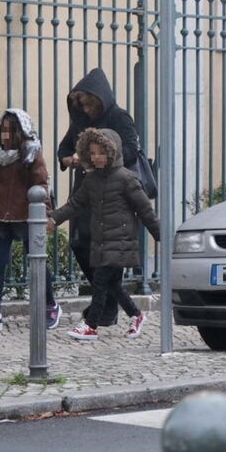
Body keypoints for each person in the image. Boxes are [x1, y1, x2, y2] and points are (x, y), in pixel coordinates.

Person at [47, 128, 159, 341]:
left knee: (99, 282)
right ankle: (137, 315)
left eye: (101, 152)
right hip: (101, 240)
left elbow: (146, 210)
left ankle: (91, 325)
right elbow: (75, 204)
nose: (96, 157)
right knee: (112, 285)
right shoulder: (91, 180)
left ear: (112, 153)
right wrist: (54, 219)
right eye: (92, 152)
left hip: (120, 241)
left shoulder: (127, 179)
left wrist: (160, 235)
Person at [57, 68, 140, 326]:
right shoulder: (80, 120)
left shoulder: (119, 117)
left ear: (99, 99)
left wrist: (101, 157)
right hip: (85, 191)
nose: (85, 109)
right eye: (81, 104)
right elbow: (65, 146)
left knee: (107, 254)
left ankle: (105, 309)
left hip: (114, 192)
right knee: (80, 245)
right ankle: (105, 304)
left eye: (88, 103)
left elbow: (131, 150)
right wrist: (68, 158)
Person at [0, 109, 60, 332]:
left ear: (20, 133)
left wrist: (46, 216)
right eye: (3, 131)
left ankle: (50, 306)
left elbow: (42, 185)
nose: (5, 136)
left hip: (26, 217)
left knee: (37, 263)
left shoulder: (31, 153)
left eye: (11, 131)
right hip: (1, 217)